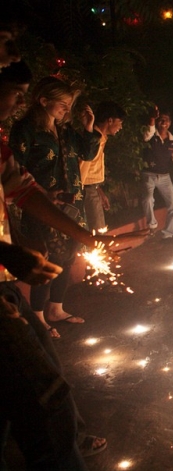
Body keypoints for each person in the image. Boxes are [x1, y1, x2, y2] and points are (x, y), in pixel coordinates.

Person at [0, 59, 138, 471]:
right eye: (12, 86)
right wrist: (13, 252)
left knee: (42, 380)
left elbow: (22, 189)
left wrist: (83, 236)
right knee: (45, 391)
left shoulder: (6, 141)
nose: (18, 98)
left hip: (4, 274)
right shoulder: (19, 132)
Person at [9, 75, 101, 337]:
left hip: (72, 204)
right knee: (47, 256)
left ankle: (56, 308)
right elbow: (15, 169)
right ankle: (37, 315)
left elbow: (87, 153)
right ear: (43, 100)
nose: (66, 110)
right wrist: (42, 193)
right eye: (63, 104)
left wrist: (88, 128)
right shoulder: (25, 129)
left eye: (69, 105)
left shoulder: (65, 130)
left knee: (68, 255)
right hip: (42, 205)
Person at [142, 106, 173, 243]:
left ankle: (168, 235)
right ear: (157, 121)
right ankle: (152, 225)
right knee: (147, 199)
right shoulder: (151, 135)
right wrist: (152, 118)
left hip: (164, 176)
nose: (164, 122)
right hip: (149, 174)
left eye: (167, 120)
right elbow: (147, 135)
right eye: (161, 119)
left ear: (170, 122)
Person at [79, 100, 126, 234]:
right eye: (120, 122)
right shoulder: (95, 139)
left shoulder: (101, 137)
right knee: (97, 233)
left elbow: (92, 169)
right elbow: (83, 166)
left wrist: (99, 190)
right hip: (85, 191)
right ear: (110, 120)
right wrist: (77, 192)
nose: (121, 127)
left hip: (91, 189)